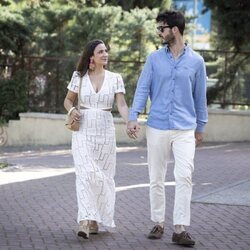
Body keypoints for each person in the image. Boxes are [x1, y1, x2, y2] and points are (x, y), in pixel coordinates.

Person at [126, 10, 208, 246]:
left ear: (174, 29)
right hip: (157, 125)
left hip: (185, 129)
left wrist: (200, 127)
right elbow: (142, 89)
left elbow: (200, 97)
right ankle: (158, 222)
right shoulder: (154, 59)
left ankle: (180, 228)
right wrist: (134, 117)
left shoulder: (197, 62)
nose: (159, 32)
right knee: (156, 177)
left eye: (161, 28)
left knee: (184, 176)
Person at [64, 39, 129, 239]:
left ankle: (95, 220)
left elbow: (122, 105)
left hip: (105, 131)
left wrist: (129, 122)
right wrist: (73, 109)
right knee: (85, 174)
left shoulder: (115, 78)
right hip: (83, 130)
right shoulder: (79, 77)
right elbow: (68, 100)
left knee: (102, 177)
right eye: (101, 51)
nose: (105, 54)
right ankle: (84, 220)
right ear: (91, 56)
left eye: (106, 51)